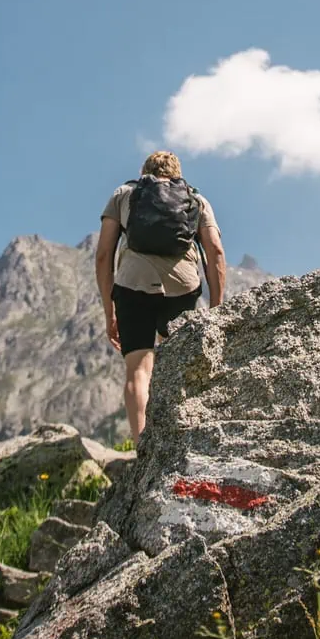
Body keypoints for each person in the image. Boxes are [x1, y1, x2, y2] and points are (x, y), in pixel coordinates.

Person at [97, 151, 227, 442]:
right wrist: (217, 311)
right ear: (177, 174)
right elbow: (216, 251)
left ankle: (143, 447)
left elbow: (104, 254)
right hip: (182, 288)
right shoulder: (196, 199)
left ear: (145, 172)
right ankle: (186, 440)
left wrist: (110, 311)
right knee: (183, 366)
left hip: (133, 286)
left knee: (138, 370)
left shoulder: (125, 194)